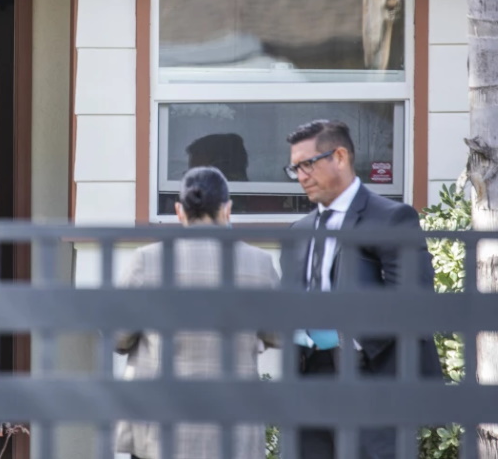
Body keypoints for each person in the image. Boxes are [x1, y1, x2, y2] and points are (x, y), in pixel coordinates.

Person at [280, 119, 442, 459]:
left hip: (371, 376)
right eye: (295, 168)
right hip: (308, 379)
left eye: (307, 164)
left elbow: (413, 302)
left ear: (339, 157)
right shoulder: (299, 231)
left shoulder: (390, 218)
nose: (301, 177)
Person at [114, 166, 279, 459]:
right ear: (227, 209)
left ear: (179, 211)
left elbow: (117, 337)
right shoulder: (259, 263)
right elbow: (280, 334)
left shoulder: (147, 260)